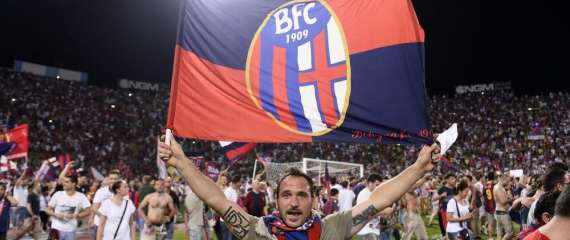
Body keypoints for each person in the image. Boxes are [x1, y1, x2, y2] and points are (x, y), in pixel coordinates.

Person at [158, 134, 440, 239]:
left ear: (313, 199)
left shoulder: (331, 228)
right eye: (286, 195)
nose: (293, 202)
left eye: (301, 195)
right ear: (277, 201)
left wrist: (418, 169)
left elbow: (378, 200)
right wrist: (181, 163)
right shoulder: (260, 232)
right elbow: (217, 199)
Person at [46, 175, 92, 240]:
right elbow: (48, 210)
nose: (64, 184)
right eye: (64, 182)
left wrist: (77, 215)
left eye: (67, 182)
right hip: (56, 229)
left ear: (74, 184)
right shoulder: (58, 194)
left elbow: (88, 211)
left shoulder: (81, 196)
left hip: (71, 230)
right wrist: (55, 214)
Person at [90, 169, 121, 234]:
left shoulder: (123, 193)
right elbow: (95, 208)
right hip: (100, 224)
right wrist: (104, 217)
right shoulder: (101, 192)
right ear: (108, 180)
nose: (113, 181)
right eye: (111, 178)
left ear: (119, 180)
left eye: (115, 179)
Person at [355, 174, 383, 240]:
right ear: (370, 183)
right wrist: (383, 212)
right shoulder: (364, 195)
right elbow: (365, 213)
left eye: (379, 185)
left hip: (371, 229)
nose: (378, 187)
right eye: (377, 185)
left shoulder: (373, 193)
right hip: (366, 231)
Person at [494, 173, 514, 240]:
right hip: (502, 213)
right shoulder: (498, 187)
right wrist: (511, 199)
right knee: (509, 233)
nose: (508, 182)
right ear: (503, 179)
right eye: (507, 180)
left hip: (500, 212)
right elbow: (503, 202)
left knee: (499, 233)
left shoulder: (499, 187)